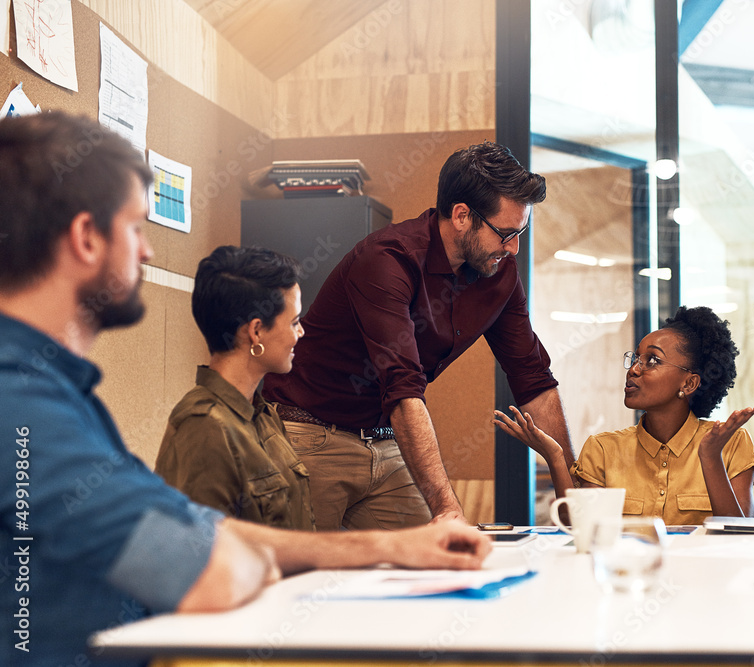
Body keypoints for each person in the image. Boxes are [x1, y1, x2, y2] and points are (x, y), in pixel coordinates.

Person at [0, 111, 491, 667]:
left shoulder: (62, 395)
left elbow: (209, 533)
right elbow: (210, 566)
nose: (148, 253)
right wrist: (241, 550)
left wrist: (391, 545)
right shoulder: (22, 406)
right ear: (87, 238)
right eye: (136, 228)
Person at [263, 141, 571, 529]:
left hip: (384, 438)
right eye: (506, 233)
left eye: (521, 232)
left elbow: (534, 379)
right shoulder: (386, 260)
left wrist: (576, 502)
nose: (514, 248)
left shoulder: (499, 273)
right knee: (306, 579)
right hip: (311, 433)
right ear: (462, 216)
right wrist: (448, 509)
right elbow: (403, 385)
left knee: (440, 562)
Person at [494, 306, 754, 526]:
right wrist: (554, 456)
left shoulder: (729, 442)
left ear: (689, 384)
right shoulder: (603, 448)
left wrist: (711, 457)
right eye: (635, 358)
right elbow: (580, 526)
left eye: (653, 360)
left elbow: (739, 535)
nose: (634, 369)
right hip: (626, 579)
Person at [156, 245, 314, 530]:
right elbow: (204, 554)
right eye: (294, 322)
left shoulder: (262, 414)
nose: (301, 332)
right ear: (255, 332)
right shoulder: (204, 426)